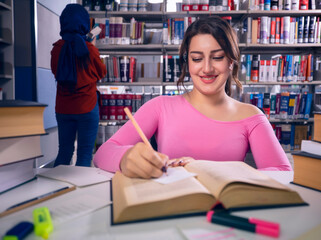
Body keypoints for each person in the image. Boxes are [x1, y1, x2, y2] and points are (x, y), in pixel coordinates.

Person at [93, 16, 292, 177]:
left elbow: (282, 172)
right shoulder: (160, 106)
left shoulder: (251, 116)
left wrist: (209, 169)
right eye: (197, 58)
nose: (206, 68)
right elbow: (103, 153)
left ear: (231, 61)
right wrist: (126, 158)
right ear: (187, 62)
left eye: (218, 57)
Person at [51, 4, 106, 167]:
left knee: (64, 152)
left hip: (63, 108)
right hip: (87, 107)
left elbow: (56, 72)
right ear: (85, 23)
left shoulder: (57, 49)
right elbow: (101, 73)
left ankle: (57, 189)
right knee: (84, 153)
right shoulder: (89, 49)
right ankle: (81, 192)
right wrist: (91, 46)